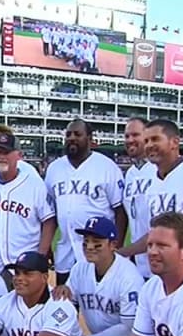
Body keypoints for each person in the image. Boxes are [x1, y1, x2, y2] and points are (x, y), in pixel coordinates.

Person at [117, 119, 183, 279]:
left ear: (174, 142)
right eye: (146, 140)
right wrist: (122, 252)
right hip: (161, 279)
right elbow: (154, 235)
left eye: (155, 139)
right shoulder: (153, 183)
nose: (149, 145)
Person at [0, 131, 56, 288]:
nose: (1, 156)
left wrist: (40, 256)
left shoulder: (34, 184)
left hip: (25, 265)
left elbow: (49, 221)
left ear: (19, 155)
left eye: (6, 152)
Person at [45, 118, 127, 286]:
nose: (72, 138)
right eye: (68, 134)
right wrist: (47, 245)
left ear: (90, 139)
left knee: (98, 301)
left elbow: (120, 210)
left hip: (98, 249)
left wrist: (115, 244)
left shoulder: (107, 167)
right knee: (64, 304)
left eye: (77, 134)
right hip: (66, 249)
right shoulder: (54, 169)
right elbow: (50, 214)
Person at [118, 117, 157, 280]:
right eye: (127, 136)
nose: (130, 140)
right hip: (140, 265)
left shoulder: (158, 170)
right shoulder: (130, 174)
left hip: (162, 265)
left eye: (135, 135)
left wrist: (124, 252)